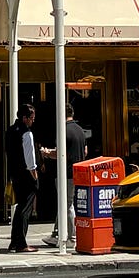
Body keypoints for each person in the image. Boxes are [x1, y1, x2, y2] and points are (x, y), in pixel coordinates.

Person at [42, 103, 88, 248]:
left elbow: (61, 153)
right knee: (64, 204)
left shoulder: (63, 131)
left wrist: (47, 153)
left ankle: (72, 238)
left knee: (67, 205)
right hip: (79, 172)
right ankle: (57, 234)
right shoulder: (80, 130)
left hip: (66, 173)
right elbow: (85, 151)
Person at [4, 104, 39, 252]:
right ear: (25, 118)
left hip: (14, 174)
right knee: (25, 209)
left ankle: (15, 241)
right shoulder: (26, 133)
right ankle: (21, 243)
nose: (33, 121)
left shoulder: (10, 131)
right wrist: (35, 175)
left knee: (19, 209)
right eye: (31, 118)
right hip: (26, 175)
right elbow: (30, 159)